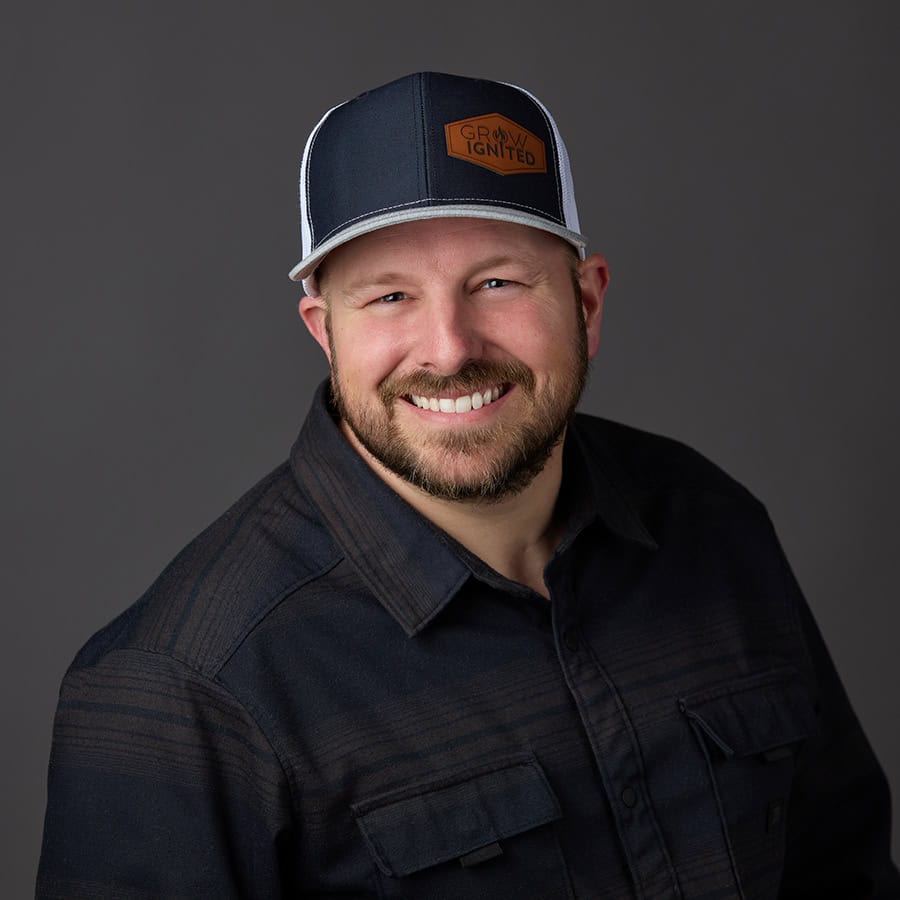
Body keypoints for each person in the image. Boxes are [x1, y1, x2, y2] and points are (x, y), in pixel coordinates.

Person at [36, 71, 899, 899]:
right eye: (389, 297)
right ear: (323, 331)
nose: (449, 349)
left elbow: (846, 874)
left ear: (586, 304)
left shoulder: (713, 528)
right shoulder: (185, 689)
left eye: (497, 282)